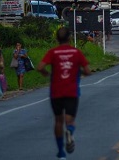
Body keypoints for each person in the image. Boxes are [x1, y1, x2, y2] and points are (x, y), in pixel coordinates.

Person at [38, 27, 92, 160]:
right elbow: (88, 71)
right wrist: (80, 72)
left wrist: (47, 74)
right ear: (69, 38)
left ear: (57, 39)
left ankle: (61, 153)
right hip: (71, 91)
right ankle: (70, 131)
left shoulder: (53, 52)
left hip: (56, 91)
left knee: (58, 120)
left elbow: (40, 67)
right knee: (70, 121)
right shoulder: (76, 52)